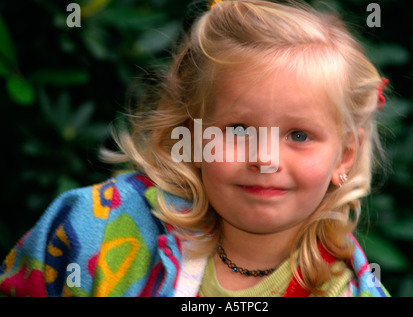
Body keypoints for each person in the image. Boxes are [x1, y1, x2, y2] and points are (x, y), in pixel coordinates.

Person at [0, 0, 390, 297]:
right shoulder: (93, 229)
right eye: (238, 129)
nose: (265, 159)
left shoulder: (348, 288)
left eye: (299, 136)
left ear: (344, 156)